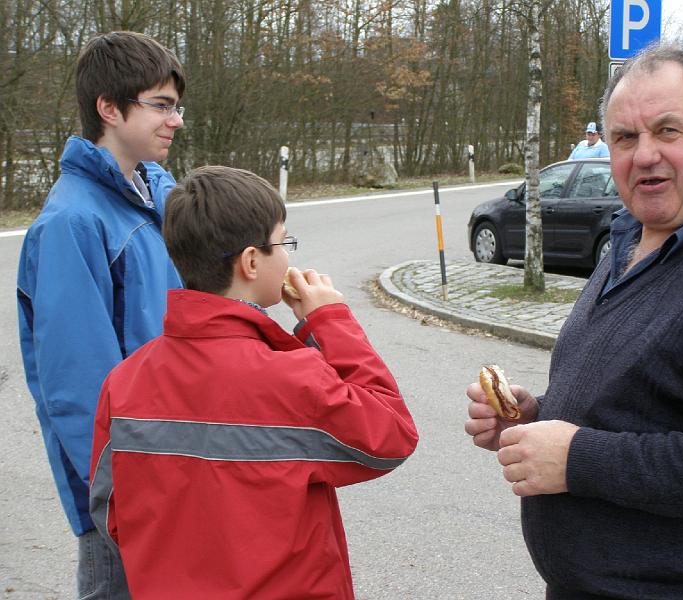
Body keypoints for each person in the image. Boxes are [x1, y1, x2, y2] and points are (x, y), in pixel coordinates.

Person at [465, 44, 683, 599]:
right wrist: (536, 417)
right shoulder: (629, 241)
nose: (644, 155)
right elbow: (639, 406)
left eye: (667, 130)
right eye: (625, 137)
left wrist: (575, 458)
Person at [88, 165, 419, 599]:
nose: (288, 257)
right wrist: (330, 321)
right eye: (283, 243)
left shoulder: (124, 381)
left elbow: (109, 508)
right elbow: (392, 434)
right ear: (250, 261)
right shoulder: (291, 377)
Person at [16, 31, 185, 598]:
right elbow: (78, 384)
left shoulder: (156, 196)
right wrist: (122, 497)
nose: (176, 120)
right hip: (125, 495)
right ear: (109, 109)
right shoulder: (72, 223)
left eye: (176, 106)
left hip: (175, 466)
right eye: (161, 105)